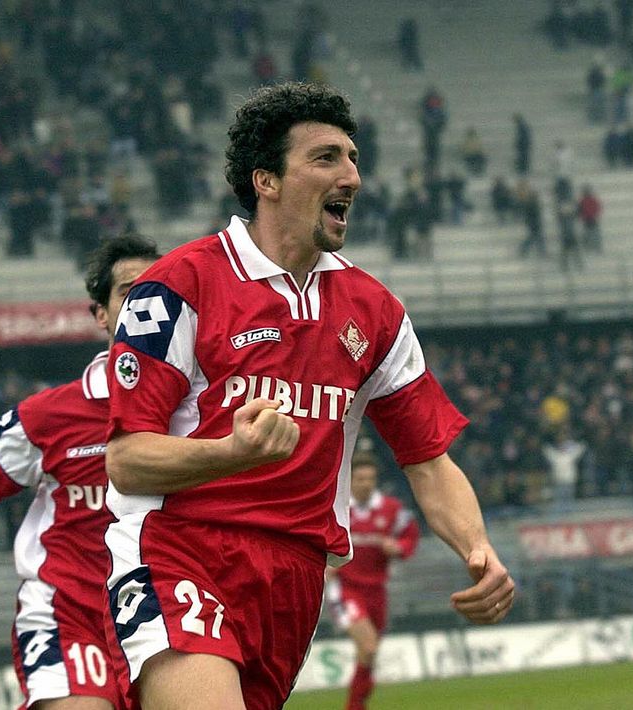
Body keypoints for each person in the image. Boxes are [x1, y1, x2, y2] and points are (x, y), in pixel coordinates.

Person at [102, 82, 515, 710]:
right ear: (266, 180)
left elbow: (427, 461)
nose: (352, 176)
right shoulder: (177, 287)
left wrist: (477, 547)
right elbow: (126, 460)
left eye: (353, 158)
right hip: (178, 547)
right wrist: (232, 453)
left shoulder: (375, 311)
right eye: (326, 158)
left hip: (296, 574)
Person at [0, 235, 160, 709]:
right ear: (101, 314)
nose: (143, 302)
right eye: (128, 291)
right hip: (68, 613)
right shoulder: (49, 416)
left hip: (161, 614)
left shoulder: (201, 409)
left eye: (156, 291)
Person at [325, 450, 420, 710]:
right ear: (350, 480)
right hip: (346, 589)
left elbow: (410, 536)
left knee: (369, 653)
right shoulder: (338, 508)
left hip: (377, 590)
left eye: (370, 478)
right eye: (360, 479)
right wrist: (325, 563)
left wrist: (398, 547)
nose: (366, 483)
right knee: (367, 646)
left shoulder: (391, 509)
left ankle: (358, 703)